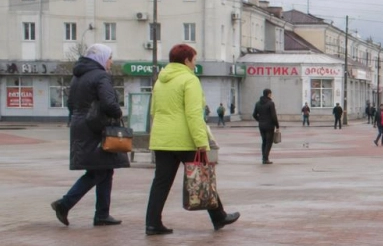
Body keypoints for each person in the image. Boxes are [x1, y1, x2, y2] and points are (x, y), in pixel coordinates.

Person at [144, 44, 240, 235]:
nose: (194, 64)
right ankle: (219, 216)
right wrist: (202, 143)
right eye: (194, 60)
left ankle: (152, 223)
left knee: (161, 182)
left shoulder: (160, 81)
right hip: (185, 138)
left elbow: (153, 110)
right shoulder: (189, 80)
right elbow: (194, 114)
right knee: (204, 175)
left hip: (162, 139)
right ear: (186, 60)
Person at [50, 44, 129, 228]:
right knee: (98, 170)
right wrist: (118, 113)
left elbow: (70, 104)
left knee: (104, 169)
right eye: (109, 58)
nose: (110, 62)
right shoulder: (101, 76)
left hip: (81, 125)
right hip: (96, 128)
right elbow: (109, 103)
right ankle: (65, 203)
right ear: (100, 58)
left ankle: (102, 214)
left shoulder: (78, 77)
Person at [253, 89, 279, 164]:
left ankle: (264, 158)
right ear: (269, 94)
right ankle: (265, 158)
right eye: (270, 94)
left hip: (261, 125)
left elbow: (254, 115)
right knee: (269, 142)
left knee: (264, 141)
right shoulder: (270, 103)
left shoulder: (257, 103)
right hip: (270, 125)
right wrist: (277, 125)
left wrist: (260, 120)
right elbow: (274, 116)